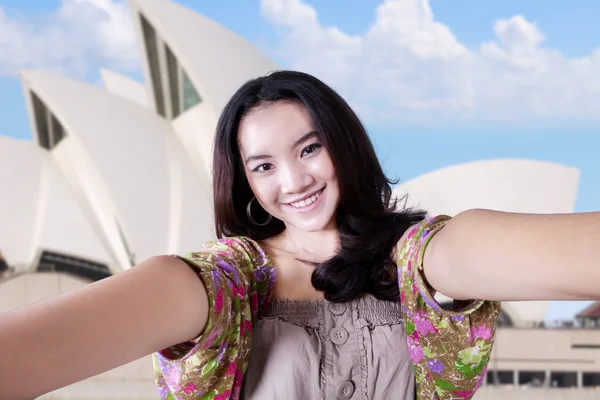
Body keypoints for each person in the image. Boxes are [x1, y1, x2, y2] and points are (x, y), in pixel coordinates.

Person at [1, 70, 599, 400]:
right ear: (243, 182)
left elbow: (502, 251)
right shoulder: (226, 282)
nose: (293, 181)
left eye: (309, 148)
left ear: (343, 144)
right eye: (263, 166)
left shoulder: (416, 258)